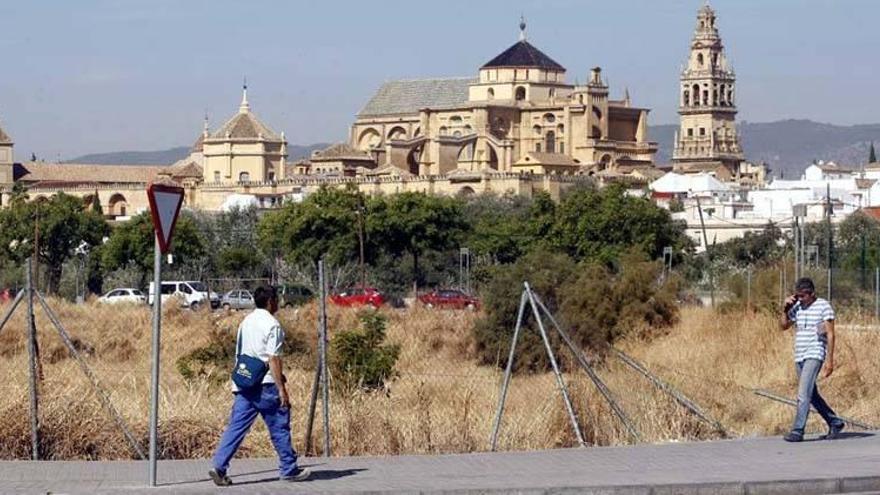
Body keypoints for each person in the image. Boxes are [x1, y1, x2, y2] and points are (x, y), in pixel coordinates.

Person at [209, 286, 311, 485]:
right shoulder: (273, 325)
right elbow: (273, 358)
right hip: (265, 385)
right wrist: (281, 388)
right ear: (271, 301)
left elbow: (239, 352)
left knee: (236, 428)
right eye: (277, 300)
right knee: (279, 426)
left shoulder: (246, 321)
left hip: (245, 383)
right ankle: (289, 468)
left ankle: (219, 467)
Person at [778, 277, 845, 442]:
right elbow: (783, 326)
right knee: (811, 394)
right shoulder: (798, 307)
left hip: (815, 353)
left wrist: (830, 360)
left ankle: (798, 430)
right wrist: (785, 309)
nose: (800, 299)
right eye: (797, 295)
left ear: (812, 293)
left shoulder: (823, 306)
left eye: (803, 296)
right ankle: (834, 422)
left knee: (802, 393)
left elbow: (830, 334)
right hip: (799, 354)